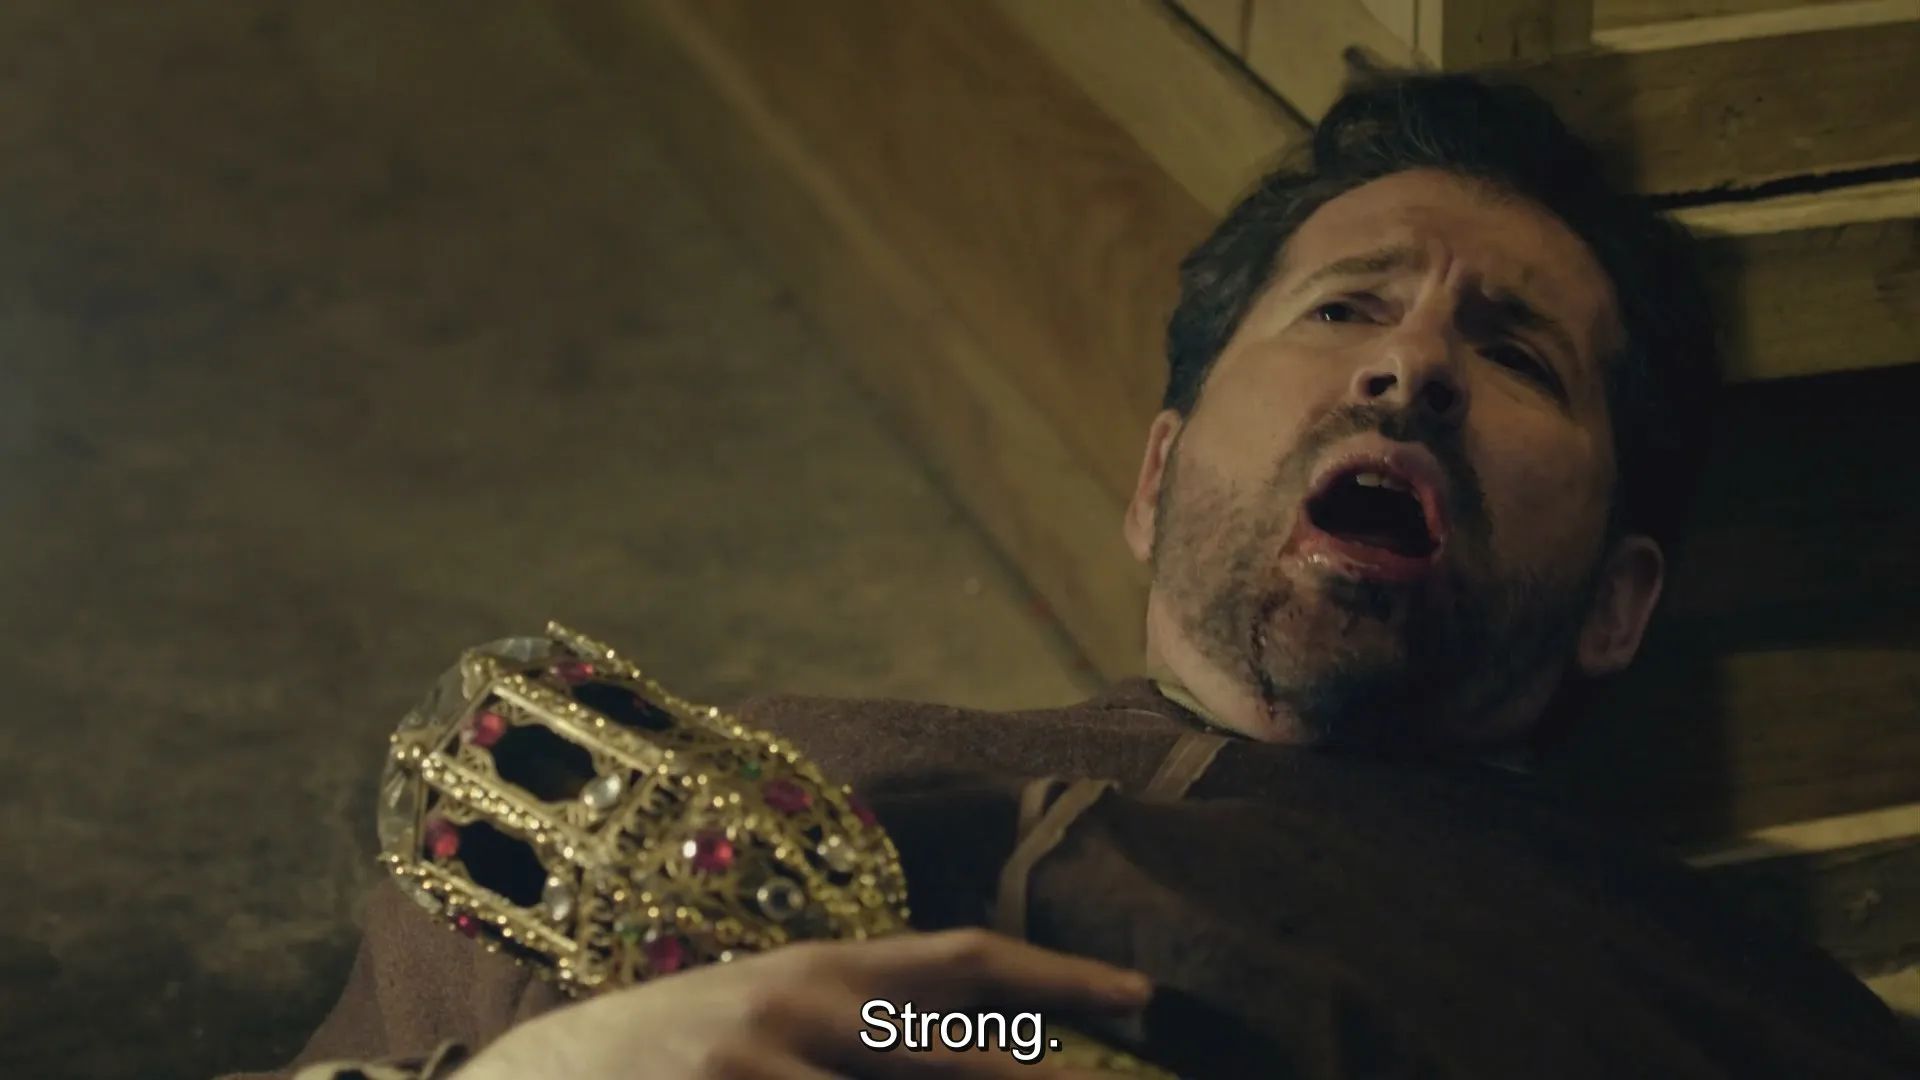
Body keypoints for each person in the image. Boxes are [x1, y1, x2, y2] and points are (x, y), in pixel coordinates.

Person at [217, 73, 1920, 1079]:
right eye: (1346, 304)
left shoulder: (1719, 1008)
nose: (1411, 365)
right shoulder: (659, 796)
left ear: (1621, 604)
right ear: (1159, 477)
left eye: (1518, 351)